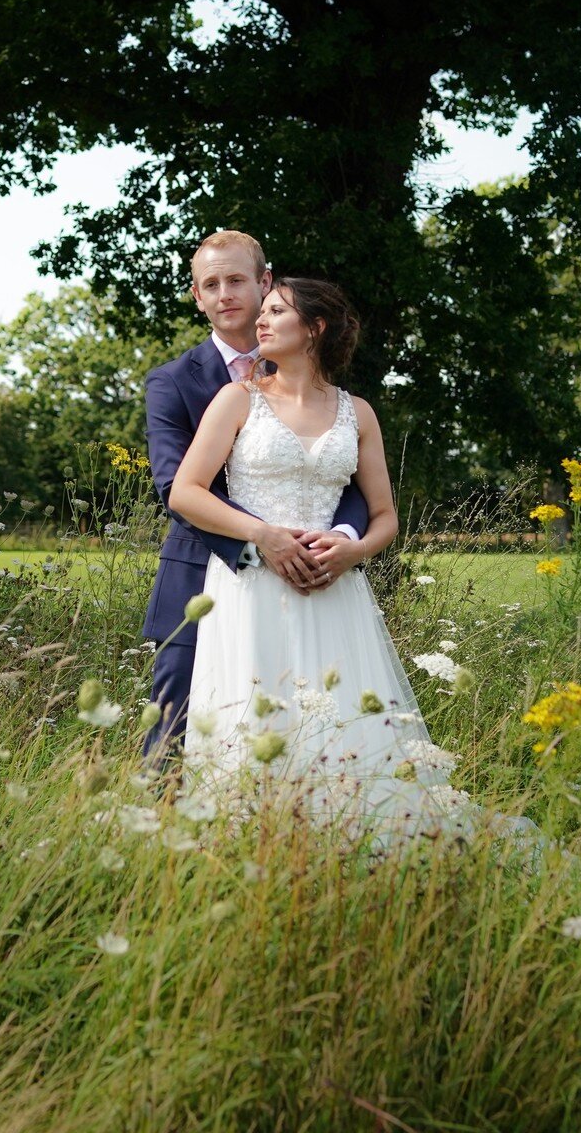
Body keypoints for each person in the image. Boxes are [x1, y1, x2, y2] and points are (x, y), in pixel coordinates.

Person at [168, 277, 511, 843]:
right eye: (266, 310)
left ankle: (351, 841)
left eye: (277, 311)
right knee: (250, 717)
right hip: (250, 587)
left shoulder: (359, 413)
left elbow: (385, 518)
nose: (262, 319)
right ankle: (245, 843)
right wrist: (264, 536)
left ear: (315, 328)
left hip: (334, 592)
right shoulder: (238, 399)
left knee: (342, 721)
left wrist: (353, 551)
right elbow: (186, 492)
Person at [140, 232, 369, 766]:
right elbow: (175, 487)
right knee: (179, 733)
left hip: (314, 578)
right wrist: (263, 542)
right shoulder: (172, 382)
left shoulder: (317, 377)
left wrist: (342, 539)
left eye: (237, 280)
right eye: (210, 285)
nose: (225, 294)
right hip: (202, 578)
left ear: (264, 282)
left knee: (313, 724)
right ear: (197, 297)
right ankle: (160, 843)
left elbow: (347, 478)